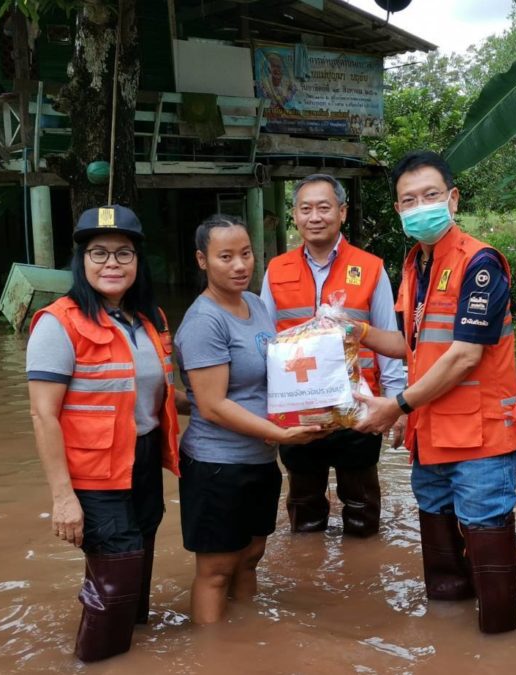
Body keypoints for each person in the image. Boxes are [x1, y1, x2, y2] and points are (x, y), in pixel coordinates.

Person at [352, 151, 516, 634]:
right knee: (441, 558)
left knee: (487, 535)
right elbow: (411, 344)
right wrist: (354, 331)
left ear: (452, 198)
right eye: (409, 199)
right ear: (398, 211)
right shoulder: (415, 265)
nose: (420, 205)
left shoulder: (481, 262)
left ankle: (498, 647)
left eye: (430, 195)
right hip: (431, 435)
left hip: (480, 437)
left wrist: (397, 405)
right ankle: (447, 647)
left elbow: (464, 355)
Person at [26, 204, 180, 662]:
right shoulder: (59, 322)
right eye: (98, 253)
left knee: (137, 572)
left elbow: (160, 396)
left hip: (144, 458)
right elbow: (43, 415)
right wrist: (62, 497)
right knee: (115, 583)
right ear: (82, 261)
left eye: (123, 254)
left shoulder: (151, 318)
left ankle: (132, 657)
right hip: (94, 474)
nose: (111, 263)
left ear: (137, 261)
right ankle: (93, 661)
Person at [175, 214, 324, 625]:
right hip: (217, 465)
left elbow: (276, 376)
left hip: (259, 460)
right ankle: (212, 656)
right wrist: (280, 433)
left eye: (246, 254)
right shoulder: (205, 322)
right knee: (217, 570)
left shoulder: (255, 305)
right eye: (226, 257)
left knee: (251, 558)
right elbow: (212, 405)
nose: (240, 265)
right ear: (202, 261)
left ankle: (250, 645)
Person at [260, 174, 406, 538]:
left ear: (342, 212)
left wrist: (396, 407)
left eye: (324, 208)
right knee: (304, 507)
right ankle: (309, 576)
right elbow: (263, 344)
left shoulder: (370, 268)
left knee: (362, 506)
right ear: (294, 215)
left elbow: (389, 341)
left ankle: (362, 578)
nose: (315, 216)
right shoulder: (276, 270)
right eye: (305, 208)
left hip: (358, 409)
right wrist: (263, 412)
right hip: (298, 412)